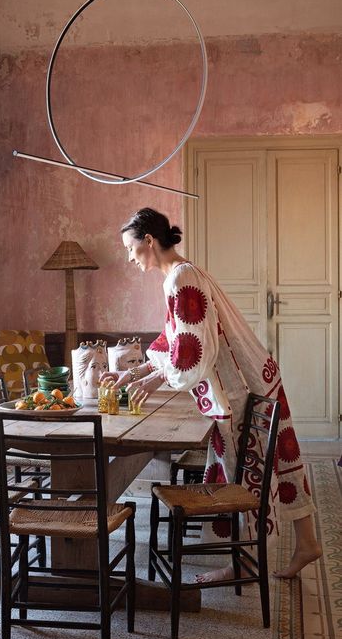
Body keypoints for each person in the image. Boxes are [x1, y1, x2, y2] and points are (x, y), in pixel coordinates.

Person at [101, 207, 322, 580]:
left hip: (241, 387)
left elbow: (192, 353)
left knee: (240, 473)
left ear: (149, 241)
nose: (129, 257)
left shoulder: (181, 278)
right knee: (279, 462)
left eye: (130, 248)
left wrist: (154, 381)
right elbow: (176, 341)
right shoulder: (182, 274)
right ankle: (307, 543)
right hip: (256, 377)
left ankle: (239, 563)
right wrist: (134, 372)